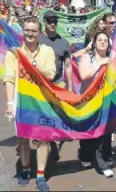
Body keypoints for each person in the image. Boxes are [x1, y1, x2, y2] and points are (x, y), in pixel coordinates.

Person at [4, 16, 56, 191]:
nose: (30, 34)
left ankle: (40, 176)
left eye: (34, 31)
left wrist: (31, 63)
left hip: (42, 102)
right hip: (22, 103)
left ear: (40, 33)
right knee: (24, 139)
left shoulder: (47, 51)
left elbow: (50, 75)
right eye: (27, 30)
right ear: (22, 31)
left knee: (43, 140)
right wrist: (10, 103)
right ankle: (26, 170)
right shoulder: (13, 53)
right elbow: (9, 79)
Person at [78, 31, 116, 178]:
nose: (103, 42)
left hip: (107, 101)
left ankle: (104, 163)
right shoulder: (86, 57)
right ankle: (85, 155)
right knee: (88, 133)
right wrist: (99, 63)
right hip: (89, 101)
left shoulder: (112, 59)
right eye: (100, 40)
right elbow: (84, 75)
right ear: (94, 42)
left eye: (106, 40)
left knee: (104, 132)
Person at [39, 10, 73, 161]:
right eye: (49, 21)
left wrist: (70, 87)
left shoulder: (64, 42)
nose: (52, 24)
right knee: (43, 113)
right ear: (44, 21)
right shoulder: (37, 39)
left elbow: (68, 66)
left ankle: (56, 142)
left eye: (55, 21)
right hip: (39, 84)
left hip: (58, 83)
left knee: (58, 114)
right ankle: (44, 138)